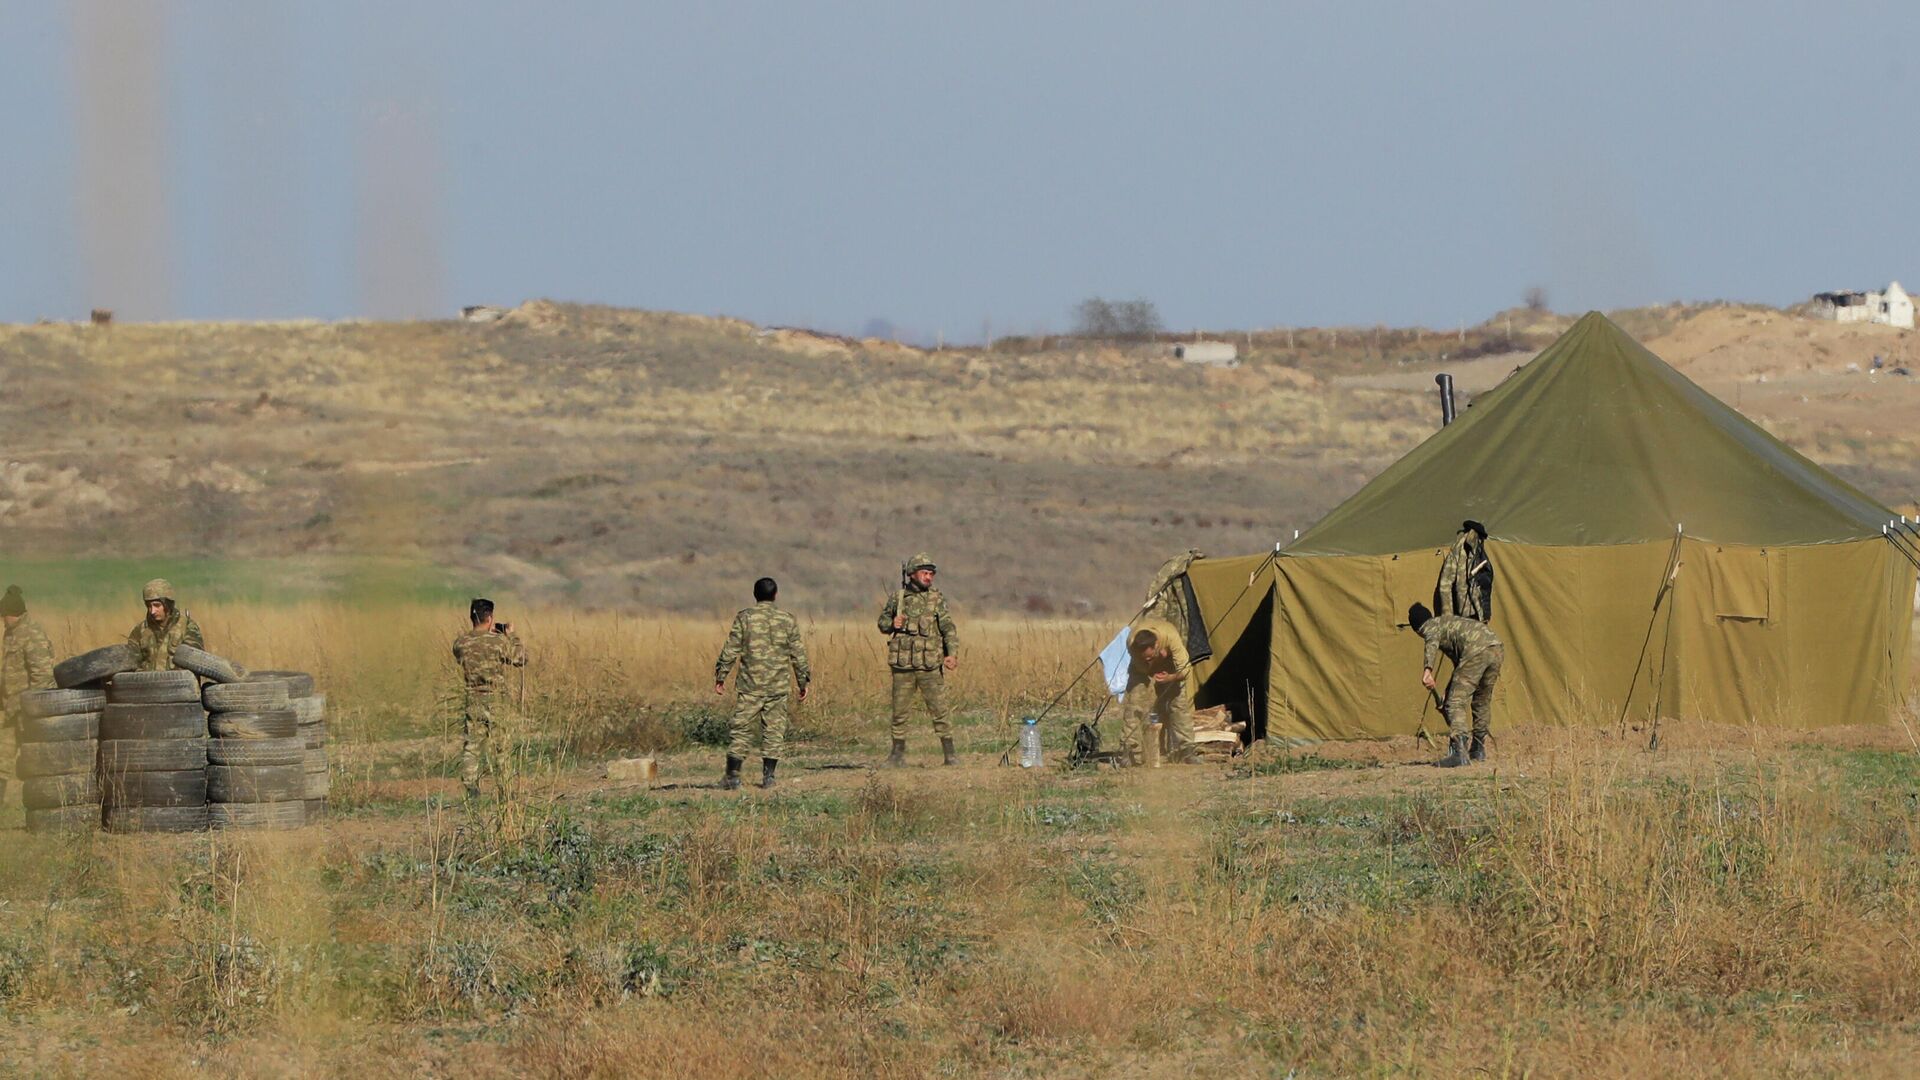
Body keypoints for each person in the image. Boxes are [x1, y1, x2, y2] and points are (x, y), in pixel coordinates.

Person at [713, 577, 811, 790]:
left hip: (750, 685)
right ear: (775, 595)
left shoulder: (745, 618)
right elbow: (798, 654)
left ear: (755, 595)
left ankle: (733, 777)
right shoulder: (787, 619)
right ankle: (769, 778)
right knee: (774, 730)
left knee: (741, 729)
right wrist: (802, 681)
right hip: (777, 685)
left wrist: (721, 676)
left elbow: (731, 649)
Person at [876, 552, 959, 767]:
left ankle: (950, 755)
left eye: (931, 574)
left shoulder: (936, 599)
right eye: (925, 573)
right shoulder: (898, 598)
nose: (929, 578)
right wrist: (892, 623)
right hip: (903, 666)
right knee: (899, 712)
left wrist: (951, 654)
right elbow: (882, 623)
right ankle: (897, 755)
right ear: (912, 574)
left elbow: (948, 628)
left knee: (939, 710)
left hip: (929, 665)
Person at [1408, 602, 1503, 767]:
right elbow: (1461, 665)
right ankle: (1478, 749)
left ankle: (1459, 752)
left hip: (1476, 650)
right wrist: (1447, 690)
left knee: (1455, 702)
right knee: (1481, 700)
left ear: (1417, 629)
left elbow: (1431, 642)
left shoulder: (1431, 626)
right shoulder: (1448, 623)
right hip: (1495, 648)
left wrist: (1427, 670)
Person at [451, 598, 528, 800]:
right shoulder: (498, 642)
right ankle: (505, 790)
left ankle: (471, 788)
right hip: (496, 701)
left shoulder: (461, 643)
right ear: (490, 617)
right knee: (501, 746)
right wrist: (511, 635)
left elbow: (461, 654)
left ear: (472, 617)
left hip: (473, 699)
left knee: (472, 746)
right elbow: (521, 659)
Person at [1116, 620, 1196, 765]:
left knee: (1178, 705)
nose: (1148, 659)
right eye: (1144, 657)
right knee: (1134, 706)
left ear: (1157, 645)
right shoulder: (1131, 642)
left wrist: (1170, 678)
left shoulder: (1170, 636)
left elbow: (1185, 670)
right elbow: (1142, 667)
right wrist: (1151, 671)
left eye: (1150, 656)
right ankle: (1128, 750)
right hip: (1140, 670)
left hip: (1170, 666)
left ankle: (1187, 750)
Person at [1, 585, 56, 725]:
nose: (2, 620)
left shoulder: (32, 634)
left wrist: (30, 708)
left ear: (12, 614)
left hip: (26, 712)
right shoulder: (10, 633)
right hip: (11, 710)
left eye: (3, 615)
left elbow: (43, 676)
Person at [126, 578, 204, 671]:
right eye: (149, 606)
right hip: (146, 685)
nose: (152, 611)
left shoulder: (187, 627)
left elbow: (195, 661)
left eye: (157, 605)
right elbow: (130, 664)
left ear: (168, 604)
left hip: (179, 684)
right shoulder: (140, 631)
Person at [1435, 519, 1494, 622]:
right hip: (1467, 610)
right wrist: (1447, 615)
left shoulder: (1476, 548)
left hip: (1473, 608)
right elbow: (1446, 582)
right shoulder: (1461, 548)